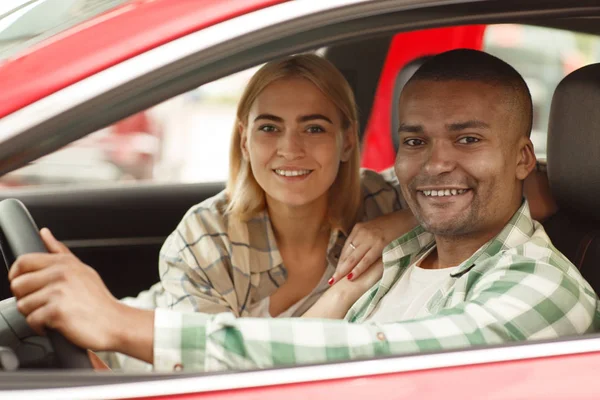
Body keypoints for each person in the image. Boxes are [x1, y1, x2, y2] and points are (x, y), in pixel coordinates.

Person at [9, 49, 598, 373]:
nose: (435, 165)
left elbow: (379, 356)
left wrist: (124, 326)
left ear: (525, 157)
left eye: (468, 139)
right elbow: (298, 340)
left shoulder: (543, 287)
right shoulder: (401, 245)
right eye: (415, 141)